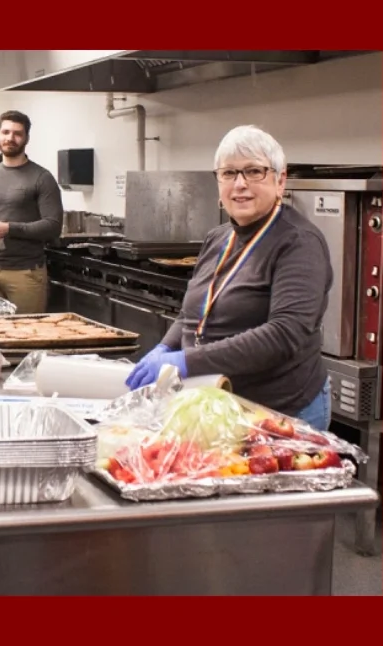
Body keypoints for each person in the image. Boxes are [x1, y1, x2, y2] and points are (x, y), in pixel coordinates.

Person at [126, 125, 334, 431]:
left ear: (281, 180)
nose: (240, 184)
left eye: (254, 172)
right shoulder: (218, 238)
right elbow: (191, 314)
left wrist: (186, 362)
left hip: (280, 411)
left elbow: (283, 334)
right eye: (228, 173)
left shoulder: (298, 242)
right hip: (217, 402)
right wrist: (166, 348)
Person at [0, 110, 63, 314]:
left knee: (26, 334)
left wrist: (9, 229)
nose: (10, 138)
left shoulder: (41, 178)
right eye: (5, 132)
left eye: (17, 133)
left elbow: (53, 226)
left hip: (26, 274)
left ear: (26, 138)